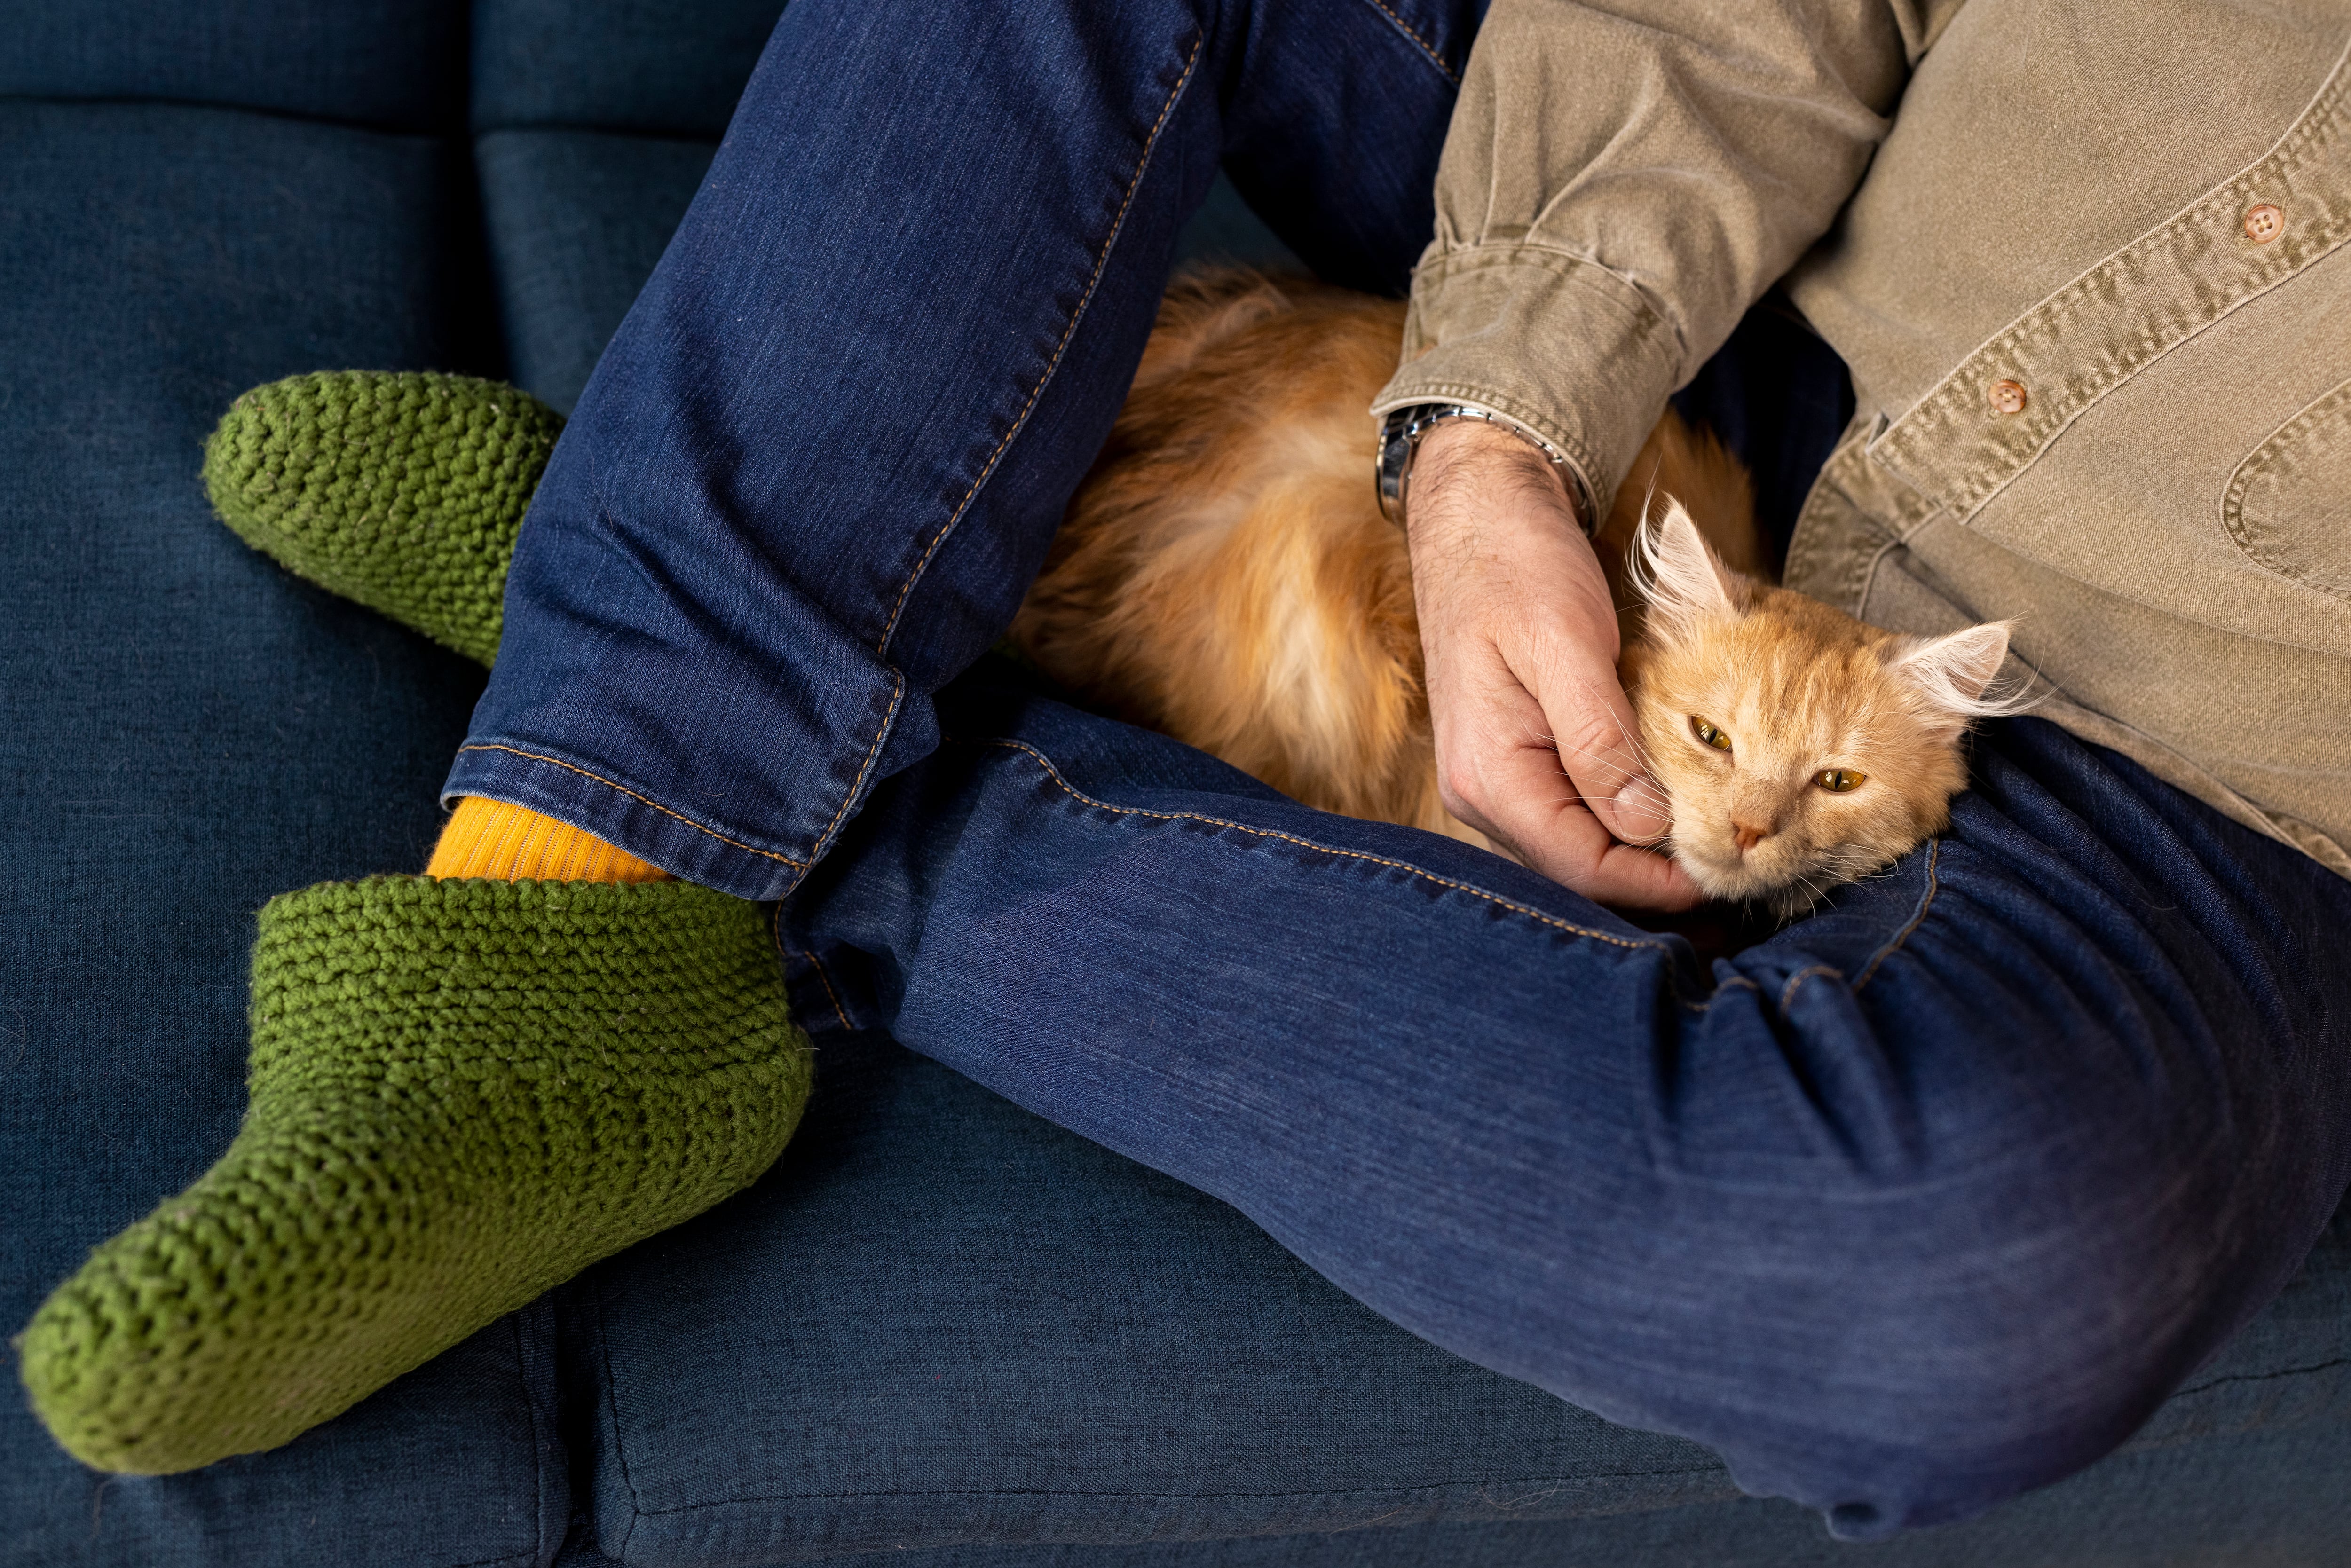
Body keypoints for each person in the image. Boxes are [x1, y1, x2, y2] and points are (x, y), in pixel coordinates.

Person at [24, 0, 2351, 1540]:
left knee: (1959, 1286)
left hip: (2190, 749)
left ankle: (685, 691)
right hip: (1791, 251)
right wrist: (1499, 425)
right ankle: (586, 852)